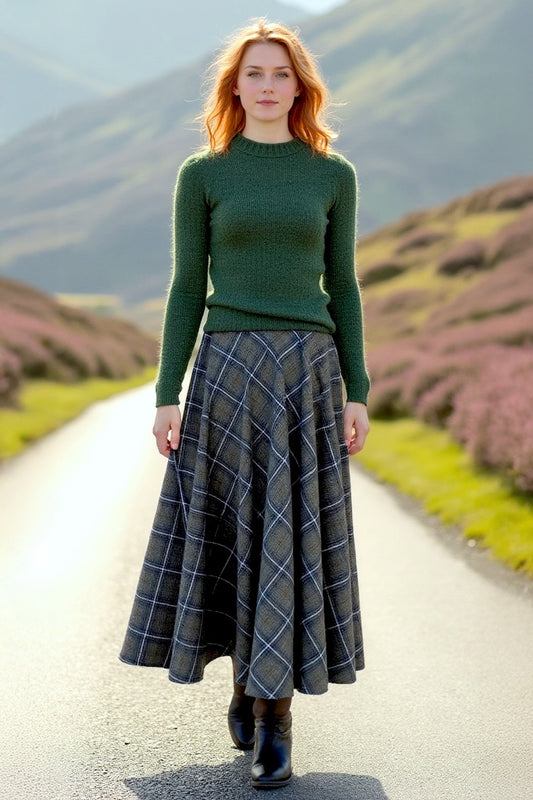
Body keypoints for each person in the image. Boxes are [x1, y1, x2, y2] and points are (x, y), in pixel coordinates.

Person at [120, 18, 370, 790]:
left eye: (281, 75)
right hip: (226, 371)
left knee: (287, 541)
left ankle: (275, 720)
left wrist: (356, 389)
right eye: (254, 74)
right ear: (235, 87)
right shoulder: (204, 174)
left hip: (305, 371)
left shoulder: (332, 175)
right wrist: (168, 393)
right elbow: (186, 289)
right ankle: (245, 682)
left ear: (300, 88)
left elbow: (344, 285)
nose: (267, 86)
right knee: (235, 536)